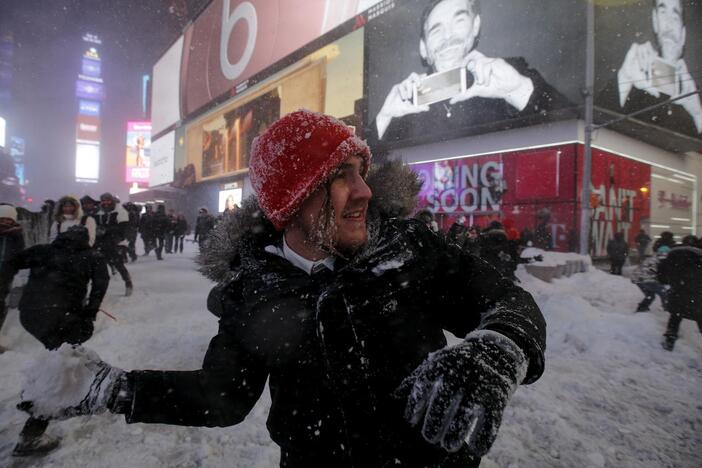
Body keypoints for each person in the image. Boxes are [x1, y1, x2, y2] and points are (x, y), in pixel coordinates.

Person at [18, 110, 546, 468]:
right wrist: (115, 388)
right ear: (291, 202)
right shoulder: (254, 291)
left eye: (361, 171)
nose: (364, 190)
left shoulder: (408, 250)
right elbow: (221, 397)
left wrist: (498, 348)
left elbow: (507, 300)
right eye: (341, 176)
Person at [371, 0, 570, 144]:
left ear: (475, 26)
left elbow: (576, 129)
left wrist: (519, 89)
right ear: (423, 48)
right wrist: (384, 117)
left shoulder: (509, 74)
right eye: (436, 30)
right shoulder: (406, 106)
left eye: (459, 21)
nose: (448, 37)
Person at [0, 226, 109, 456]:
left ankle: (59, 390)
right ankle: (32, 433)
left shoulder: (43, 250)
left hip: (30, 315)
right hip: (62, 317)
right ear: (86, 240)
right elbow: (101, 284)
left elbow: (10, 263)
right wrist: (90, 312)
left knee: (62, 355)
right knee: (60, 362)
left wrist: (3, 289)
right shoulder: (92, 256)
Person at [610, 0, 702, 136]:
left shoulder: (694, 96)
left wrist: (697, 113)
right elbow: (598, 125)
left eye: (675, 16)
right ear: (655, 20)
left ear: (683, 34)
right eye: (663, 12)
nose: (669, 24)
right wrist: (624, 78)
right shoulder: (637, 77)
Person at [657, 239, 702, 351]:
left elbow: (661, 276)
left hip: (677, 294)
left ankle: (668, 343)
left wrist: (675, 282)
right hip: (697, 296)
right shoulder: (699, 257)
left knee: (675, 317)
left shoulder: (674, 255)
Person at [95, 193, 133, 296]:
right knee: (97, 265)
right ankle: (98, 287)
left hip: (115, 242)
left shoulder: (120, 211)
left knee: (118, 263)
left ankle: (128, 282)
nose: (106, 203)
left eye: (108, 200)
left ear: (112, 201)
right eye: (103, 201)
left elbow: (123, 229)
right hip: (100, 241)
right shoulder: (99, 212)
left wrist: (107, 230)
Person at [0, 204, 24, 353]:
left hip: (5, 275)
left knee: (1, 306)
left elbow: (20, 255)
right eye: (2, 219)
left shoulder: (16, 235)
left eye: (9, 220)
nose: (5, 222)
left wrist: (17, 271)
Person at [630, 244, 670, 312]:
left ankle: (642, 308)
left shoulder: (653, 258)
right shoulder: (661, 259)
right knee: (663, 292)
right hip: (646, 279)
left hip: (637, 278)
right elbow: (657, 271)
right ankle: (668, 308)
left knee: (650, 295)